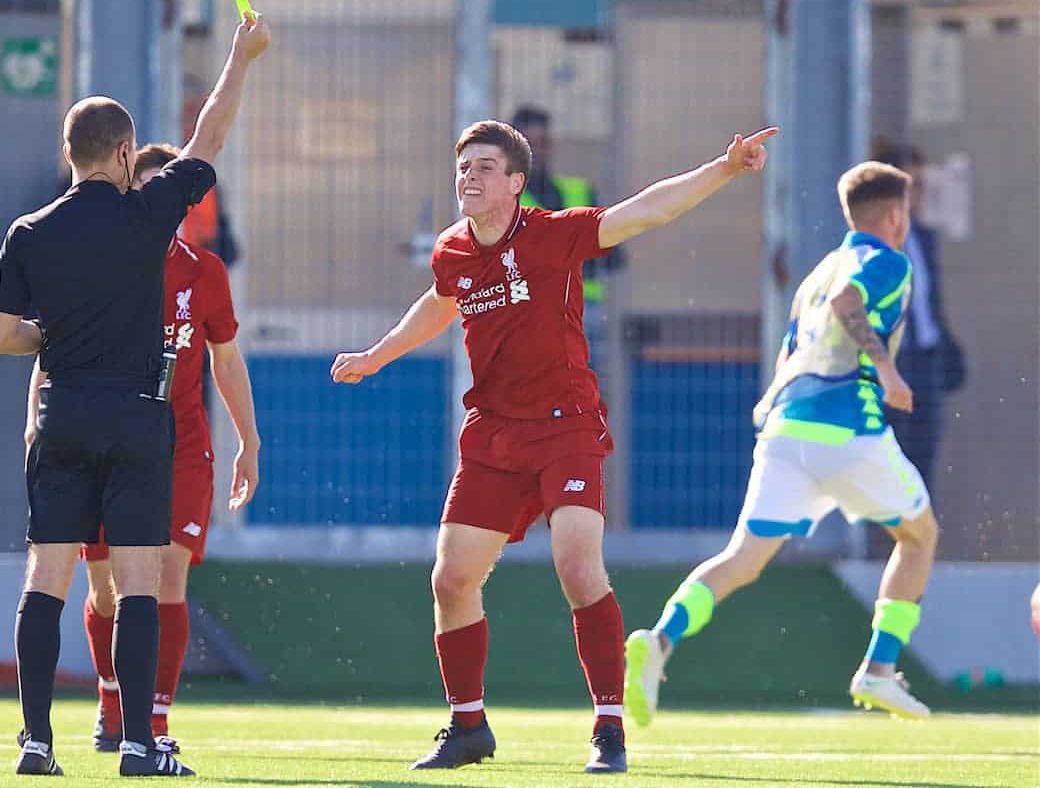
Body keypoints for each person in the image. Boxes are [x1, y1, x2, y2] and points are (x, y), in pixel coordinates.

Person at [332, 120, 776, 773]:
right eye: (464, 167)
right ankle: (467, 727)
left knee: (576, 566)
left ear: (516, 183)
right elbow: (440, 300)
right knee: (452, 580)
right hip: (492, 433)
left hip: (565, 424)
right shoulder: (453, 249)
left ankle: (609, 728)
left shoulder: (550, 233)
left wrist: (724, 167)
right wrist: (376, 355)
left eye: (486, 167)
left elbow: (646, 211)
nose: (470, 177)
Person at [0, 11, 270, 778]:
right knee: (141, 586)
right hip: (138, 419)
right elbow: (207, 139)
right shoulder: (150, 218)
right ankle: (141, 745)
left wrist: (57, 338)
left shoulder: (29, 231)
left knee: (46, 578)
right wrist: (239, 58)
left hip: (64, 412)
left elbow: (0, 337)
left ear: (66, 155)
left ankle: (37, 744)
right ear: (122, 153)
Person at [624, 161, 941, 729]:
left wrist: (770, 398)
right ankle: (880, 668)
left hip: (785, 430)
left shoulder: (819, 270)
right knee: (919, 536)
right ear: (895, 216)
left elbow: (797, 339)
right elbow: (850, 303)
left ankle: (660, 639)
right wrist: (889, 371)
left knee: (742, 560)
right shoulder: (887, 261)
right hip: (848, 430)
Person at [21, 141, 261, 753]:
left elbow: (226, 361)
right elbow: (56, 347)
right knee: (105, 589)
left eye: (170, 191)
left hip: (179, 444)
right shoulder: (106, 265)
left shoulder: (204, 271)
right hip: (107, 437)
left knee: (164, 578)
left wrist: (249, 442)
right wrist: (35, 419)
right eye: (148, 187)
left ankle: (152, 725)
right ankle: (112, 700)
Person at [873, 144, 965, 488]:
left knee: (923, 459)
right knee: (889, 459)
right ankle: (885, 539)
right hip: (893, 360)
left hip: (926, 358)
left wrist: (946, 341)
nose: (917, 195)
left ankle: (921, 538)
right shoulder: (875, 244)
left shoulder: (923, 237)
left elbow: (931, 301)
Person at [510, 105, 625, 355]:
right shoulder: (505, 204)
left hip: (584, 314)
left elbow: (614, 256)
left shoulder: (580, 192)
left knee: (579, 389)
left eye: (542, 143)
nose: (535, 152)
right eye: (527, 144)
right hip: (528, 315)